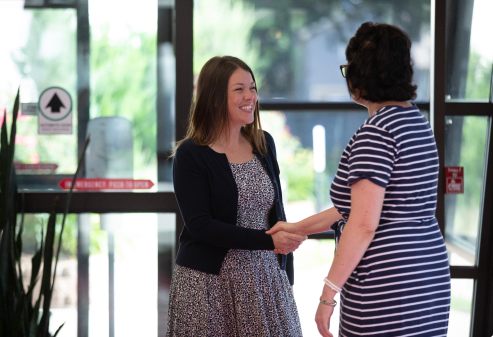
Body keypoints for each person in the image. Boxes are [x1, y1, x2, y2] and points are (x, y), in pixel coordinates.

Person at [267, 22, 451, 337]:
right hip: (428, 277)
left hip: (386, 284)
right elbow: (354, 208)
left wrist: (328, 294)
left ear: (362, 75)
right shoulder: (417, 123)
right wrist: (298, 229)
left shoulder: (376, 133)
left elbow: (363, 224)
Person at [166, 55, 305, 336]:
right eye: (239, 89)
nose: (250, 96)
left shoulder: (264, 143)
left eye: (252, 88)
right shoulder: (190, 154)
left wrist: (286, 272)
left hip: (265, 279)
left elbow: (276, 210)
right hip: (207, 286)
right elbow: (200, 226)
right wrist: (267, 241)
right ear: (215, 98)